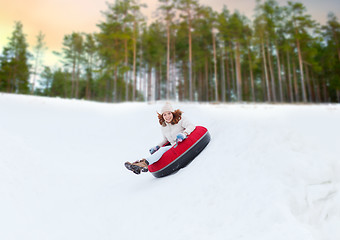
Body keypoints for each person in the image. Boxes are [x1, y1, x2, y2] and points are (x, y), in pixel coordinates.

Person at [124, 102, 196, 175]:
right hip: (173, 146)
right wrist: (157, 146)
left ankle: (143, 164)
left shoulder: (180, 119)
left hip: (183, 143)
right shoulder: (164, 127)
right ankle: (141, 165)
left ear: (173, 113)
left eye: (169, 113)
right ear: (162, 116)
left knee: (163, 150)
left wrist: (184, 134)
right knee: (161, 152)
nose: (167, 116)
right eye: (165, 114)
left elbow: (191, 126)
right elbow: (166, 140)